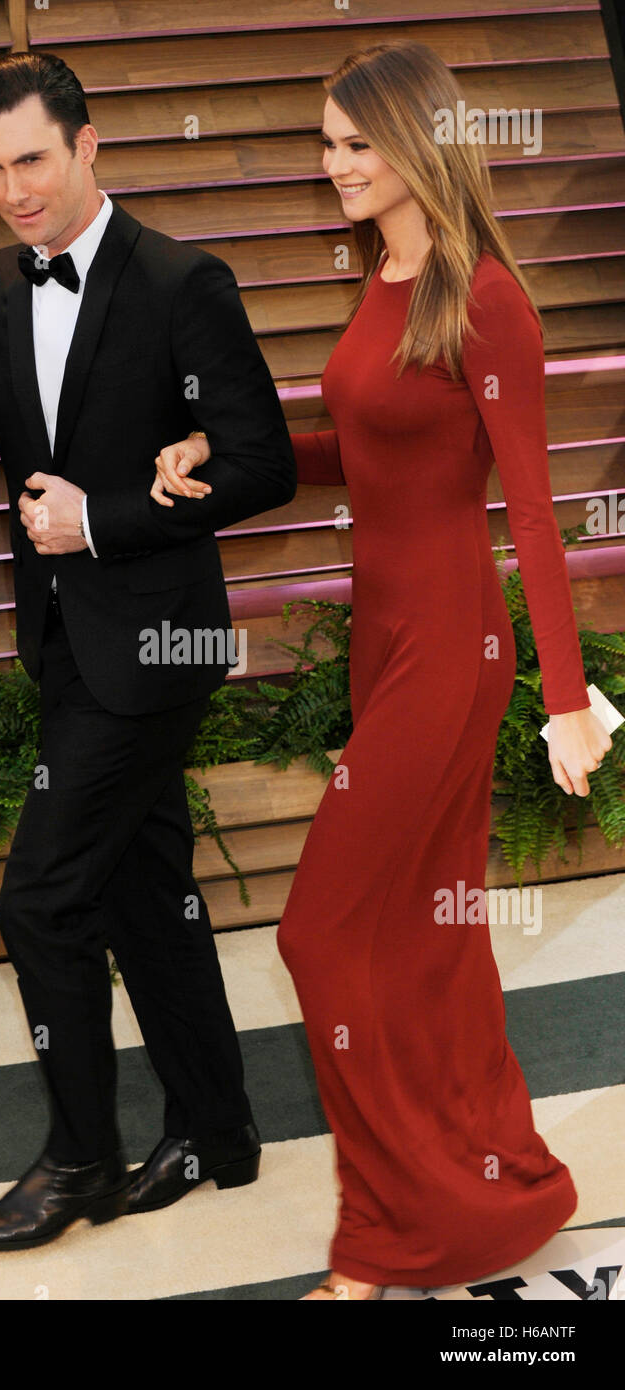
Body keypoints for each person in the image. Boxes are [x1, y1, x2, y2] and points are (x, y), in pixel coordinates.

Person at [152, 41, 612, 1300]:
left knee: (319, 930)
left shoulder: (486, 298)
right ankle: (489, 1184)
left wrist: (566, 697)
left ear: (417, 142)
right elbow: (366, 454)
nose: (336, 165)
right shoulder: (383, 280)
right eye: (327, 143)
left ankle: (380, 1245)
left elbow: (532, 509)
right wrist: (222, 452)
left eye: (356, 144)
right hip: (387, 639)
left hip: (454, 647)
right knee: (427, 939)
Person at [0, 51, 296, 1251]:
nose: (13, 190)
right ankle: (217, 1130)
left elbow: (264, 463)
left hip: (160, 641)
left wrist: (102, 520)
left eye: (33, 160)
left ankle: (81, 1161)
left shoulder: (182, 282)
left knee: (41, 903)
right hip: (64, 650)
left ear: (89, 146)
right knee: (147, 894)